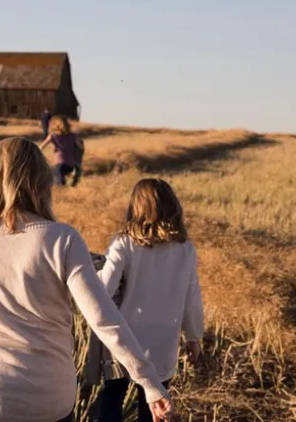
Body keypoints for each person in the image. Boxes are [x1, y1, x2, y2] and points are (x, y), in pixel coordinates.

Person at [0, 138, 172, 422]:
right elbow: (103, 320)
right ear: (41, 181)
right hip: (48, 401)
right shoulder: (62, 239)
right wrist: (149, 382)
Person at [85, 178, 204, 422]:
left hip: (125, 340)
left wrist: (92, 269)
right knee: (154, 405)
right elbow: (192, 296)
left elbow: (103, 289)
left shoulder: (124, 243)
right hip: (163, 342)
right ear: (174, 207)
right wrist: (194, 337)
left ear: (135, 208)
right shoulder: (185, 249)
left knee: (112, 395)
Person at [39, 116, 84, 186]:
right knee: (68, 184)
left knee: (59, 185)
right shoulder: (73, 135)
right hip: (71, 165)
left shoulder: (53, 136)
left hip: (59, 164)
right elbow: (81, 147)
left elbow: (41, 147)